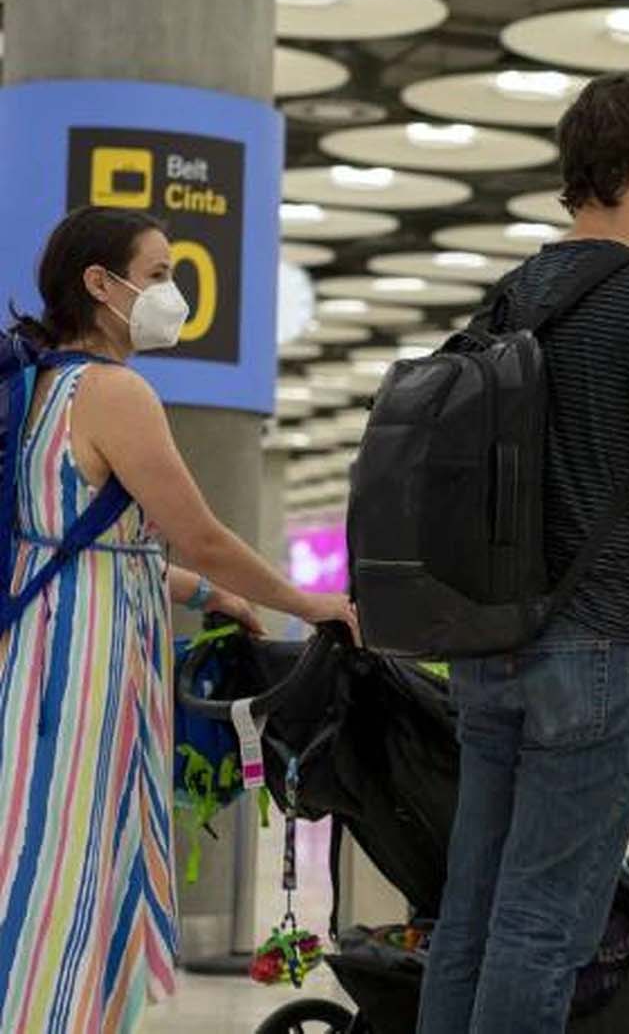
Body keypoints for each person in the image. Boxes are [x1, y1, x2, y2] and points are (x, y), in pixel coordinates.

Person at [418, 71, 629, 1034]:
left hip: (490, 644)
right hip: (599, 647)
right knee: (543, 926)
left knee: (473, 916)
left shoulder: (511, 295)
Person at [0, 206, 357, 1033]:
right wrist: (310, 604)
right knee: (73, 866)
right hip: (83, 672)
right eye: (158, 274)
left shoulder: (38, 386)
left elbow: (101, 542)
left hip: (41, 648)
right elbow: (198, 531)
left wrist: (207, 595)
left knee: (37, 851)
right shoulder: (116, 391)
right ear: (100, 284)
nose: (172, 291)